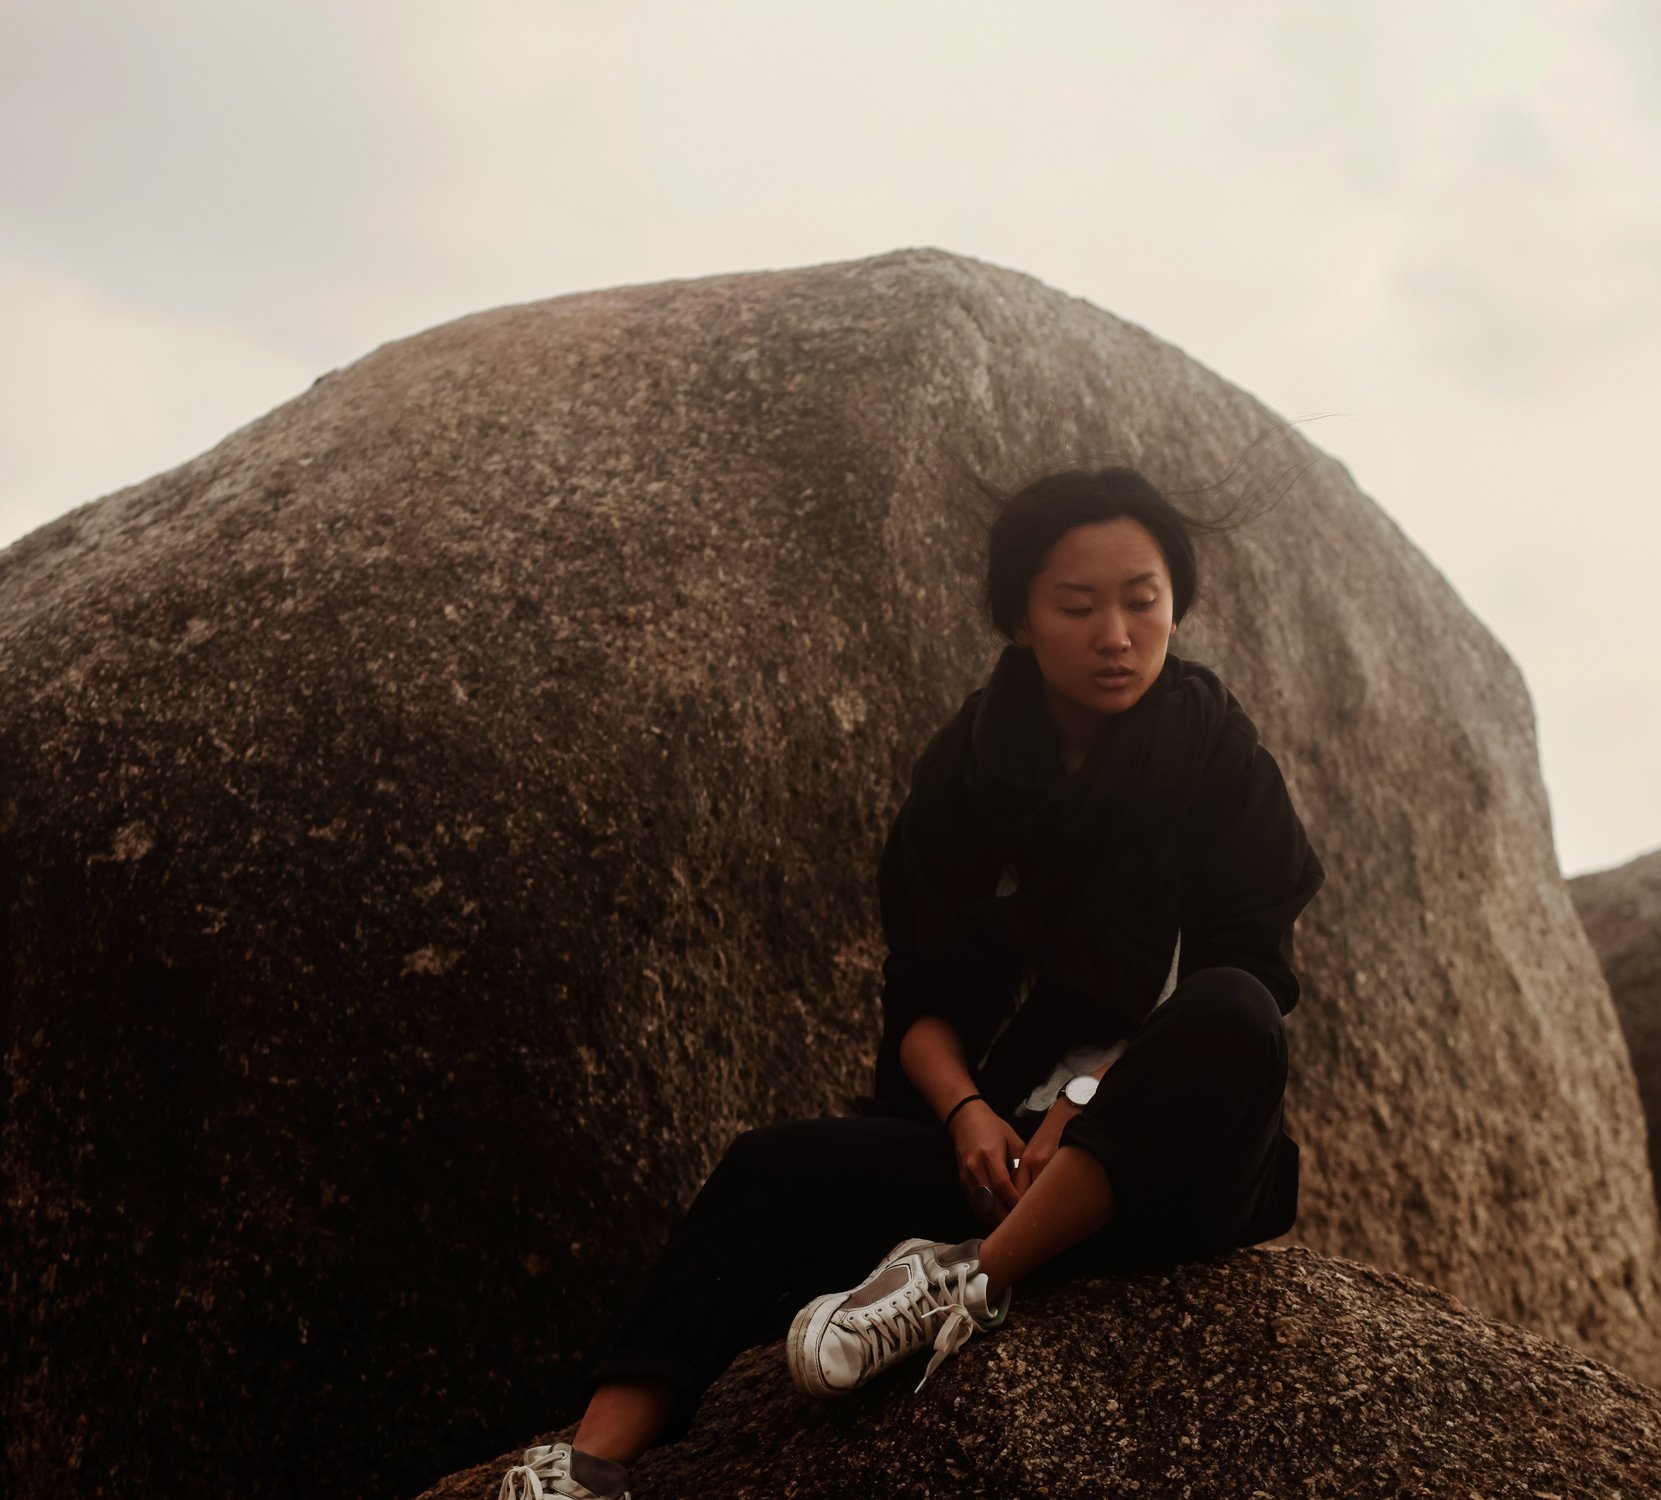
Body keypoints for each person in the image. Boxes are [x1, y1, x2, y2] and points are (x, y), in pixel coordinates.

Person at [501, 465, 1326, 1499]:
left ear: (1176, 606)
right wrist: (969, 1116)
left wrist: (1088, 1097)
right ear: (1020, 620)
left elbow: (1252, 972)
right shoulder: (967, 776)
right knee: (770, 1168)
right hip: (998, 1151)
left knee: (1235, 1011)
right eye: (1078, 607)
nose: (1116, 635)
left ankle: (969, 1279)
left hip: (1165, 1165)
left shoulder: (1219, 760)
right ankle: (587, 1467)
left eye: (1142, 601)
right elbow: (921, 998)